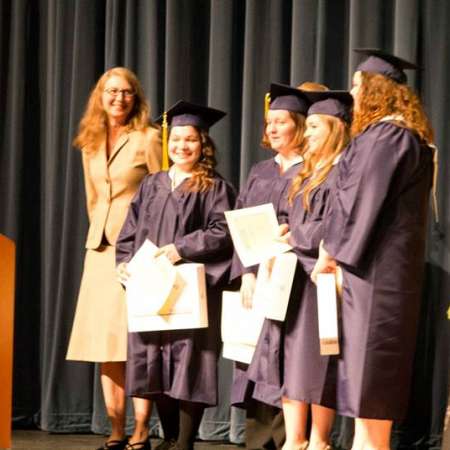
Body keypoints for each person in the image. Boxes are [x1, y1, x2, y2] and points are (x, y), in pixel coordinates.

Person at [311, 49, 435, 450]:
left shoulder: (388, 136)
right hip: (380, 270)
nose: (351, 92)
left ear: (376, 89)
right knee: (368, 378)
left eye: (356, 84)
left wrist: (331, 253)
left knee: (372, 374)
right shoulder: (400, 134)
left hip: (376, 271)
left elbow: (361, 200)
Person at [115, 101, 236, 450]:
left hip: (191, 287)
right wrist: (123, 262)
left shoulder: (214, 187)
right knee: (153, 360)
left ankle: (184, 442)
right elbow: (130, 230)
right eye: (177, 139)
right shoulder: (152, 183)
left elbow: (223, 230)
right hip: (151, 286)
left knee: (187, 360)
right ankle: (168, 438)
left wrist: (180, 248)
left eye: (191, 140)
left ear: (203, 145)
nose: (182, 146)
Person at [66, 67, 162, 450]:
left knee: (134, 341)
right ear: (99, 96)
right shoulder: (90, 142)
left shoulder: (149, 138)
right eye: (111, 91)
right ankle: (116, 428)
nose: (119, 98)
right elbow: (93, 198)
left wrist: (152, 247)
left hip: (138, 252)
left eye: (126, 92)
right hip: (101, 252)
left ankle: (142, 428)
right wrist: (99, 236)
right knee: (105, 345)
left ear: (135, 98)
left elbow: (164, 192)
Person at [230, 81, 327, 450]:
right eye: (268, 122)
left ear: (300, 126)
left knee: (288, 356)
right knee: (254, 357)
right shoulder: (259, 171)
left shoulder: (314, 171)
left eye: (281, 121)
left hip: (294, 279)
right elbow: (239, 222)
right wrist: (247, 275)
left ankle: (292, 437)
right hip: (259, 278)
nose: (271, 128)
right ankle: (259, 440)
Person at [279, 91, 352, 450]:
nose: (305, 133)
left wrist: (295, 235)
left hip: (319, 277)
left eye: (312, 126)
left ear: (335, 129)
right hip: (292, 276)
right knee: (290, 359)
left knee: (319, 359)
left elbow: (334, 228)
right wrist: (282, 232)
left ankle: (320, 441)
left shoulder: (343, 173)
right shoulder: (307, 172)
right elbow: (294, 219)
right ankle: (295, 440)